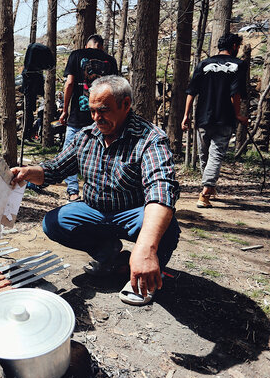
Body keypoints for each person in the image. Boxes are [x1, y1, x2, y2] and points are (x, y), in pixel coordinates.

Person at [11, 75, 180, 306]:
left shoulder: (150, 139)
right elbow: (54, 169)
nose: (96, 118)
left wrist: (146, 248)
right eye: (92, 111)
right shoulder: (86, 136)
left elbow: (162, 191)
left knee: (163, 224)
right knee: (54, 222)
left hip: (133, 214)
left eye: (103, 110)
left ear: (126, 105)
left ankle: (147, 275)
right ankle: (108, 253)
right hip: (95, 211)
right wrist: (29, 172)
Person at [182, 33, 248, 208]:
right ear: (234, 46)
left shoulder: (204, 64)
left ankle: (209, 187)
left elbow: (191, 91)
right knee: (215, 155)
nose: (239, 50)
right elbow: (236, 93)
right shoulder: (239, 65)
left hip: (203, 117)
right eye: (238, 46)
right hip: (225, 118)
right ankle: (205, 192)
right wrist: (238, 114)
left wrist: (186, 116)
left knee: (205, 155)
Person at [59, 34, 118, 201]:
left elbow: (70, 83)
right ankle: (97, 192)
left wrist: (65, 110)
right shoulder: (110, 61)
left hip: (79, 114)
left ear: (87, 45)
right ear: (101, 46)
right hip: (102, 118)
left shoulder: (76, 55)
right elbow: (115, 89)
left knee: (68, 154)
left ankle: (73, 192)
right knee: (101, 155)